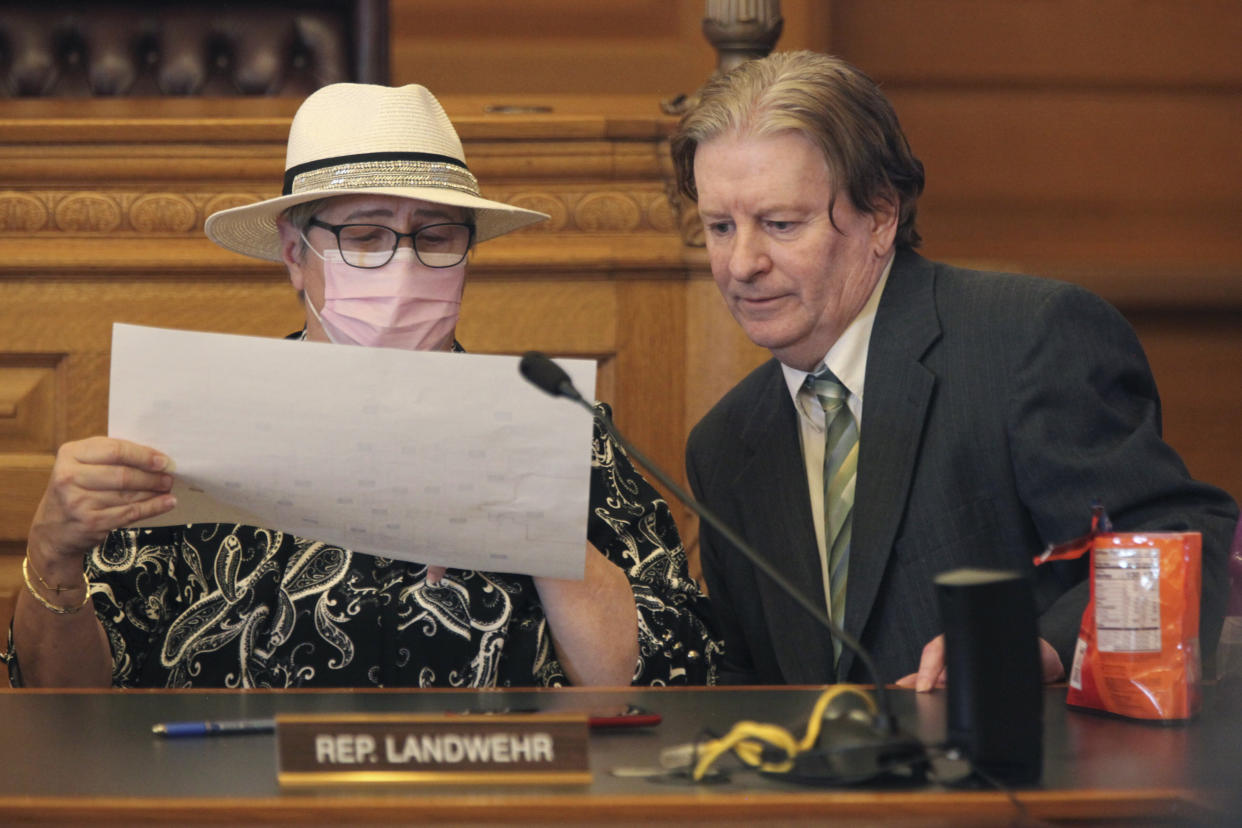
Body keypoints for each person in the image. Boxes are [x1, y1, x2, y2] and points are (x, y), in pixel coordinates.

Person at [7, 82, 718, 689]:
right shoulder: (189, 426)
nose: (403, 270)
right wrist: (52, 556)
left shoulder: (560, 427)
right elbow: (71, 704)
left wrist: (534, 529)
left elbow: (666, 675)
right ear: (295, 253)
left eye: (436, 236)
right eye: (366, 237)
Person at [671, 51, 1238, 688]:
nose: (742, 264)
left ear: (881, 215)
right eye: (720, 227)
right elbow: (749, 685)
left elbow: (1180, 540)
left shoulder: (1025, 340)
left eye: (780, 224)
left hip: (1026, 774)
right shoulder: (724, 445)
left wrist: (1042, 649)